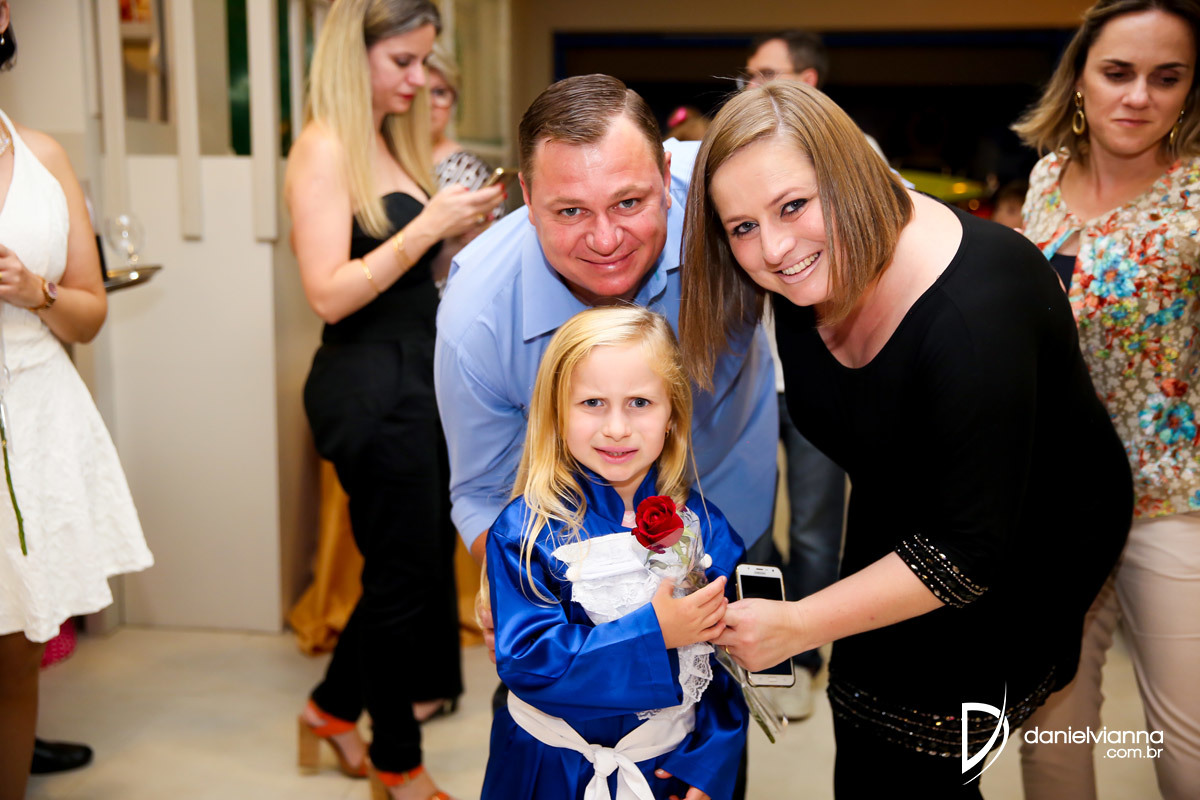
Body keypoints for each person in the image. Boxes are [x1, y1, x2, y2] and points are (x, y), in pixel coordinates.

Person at [679, 81, 1133, 797]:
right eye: (741, 227)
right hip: (905, 504)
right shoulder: (808, 267)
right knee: (864, 726)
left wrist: (800, 624)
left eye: (793, 206)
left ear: (848, 173)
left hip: (1029, 539)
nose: (774, 248)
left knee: (928, 751)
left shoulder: (977, 310)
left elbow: (967, 554)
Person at [283, 0, 503, 797]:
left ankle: (330, 710)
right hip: (369, 381)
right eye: (403, 61)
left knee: (407, 570)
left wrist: (457, 237)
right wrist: (428, 224)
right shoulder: (323, 147)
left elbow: (413, 276)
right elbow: (328, 292)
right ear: (356, 54)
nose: (419, 78)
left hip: (414, 371)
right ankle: (397, 763)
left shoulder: (384, 139)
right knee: (406, 577)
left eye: (424, 61)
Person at [435, 73, 776, 568]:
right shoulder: (477, 324)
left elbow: (867, 197)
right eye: (571, 211)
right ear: (527, 197)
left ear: (666, 174)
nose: (606, 240)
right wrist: (527, 589)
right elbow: (483, 494)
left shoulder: (730, 191)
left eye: (628, 202)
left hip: (731, 496)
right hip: (579, 557)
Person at [1013, 2, 1200, 797]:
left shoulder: (1195, 197)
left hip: (1169, 496)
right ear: (1081, 79)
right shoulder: (1046, 178)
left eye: (1167, 77)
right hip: (1052, 501)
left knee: (1188, 748)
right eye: (1118, 72)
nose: (1139, 96)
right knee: (1050, 738)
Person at [483, 306, 746, 800]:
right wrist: (656, 633)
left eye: (640, 402)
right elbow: (528, 661)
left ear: (673, 415)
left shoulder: (705, 528)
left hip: (665, 765)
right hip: (549, 767)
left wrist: (709, 760)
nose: (618, 428)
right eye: (593, 403)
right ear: (557, 414)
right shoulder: (524, 532)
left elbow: (724, 664)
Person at [0, 2, 154, 797]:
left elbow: (89, 315)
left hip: (35, 416)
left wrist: (37, 290)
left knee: (15, 647)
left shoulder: (44, 156)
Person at [739, 30, 852, 721]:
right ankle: (769, 652)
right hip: (746, 384)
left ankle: (807, 656)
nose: (749, 86)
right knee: (749, 525)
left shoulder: (850, 154)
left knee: (815, 526)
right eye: (748, 74)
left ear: (805, 81)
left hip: (820, 376)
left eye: (766, 74)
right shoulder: (737, 160)